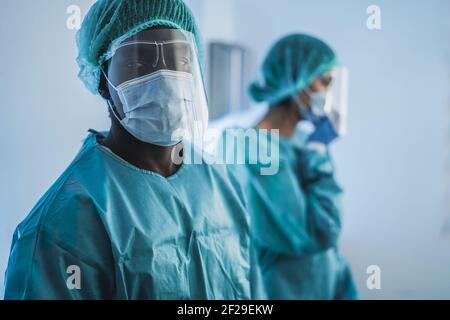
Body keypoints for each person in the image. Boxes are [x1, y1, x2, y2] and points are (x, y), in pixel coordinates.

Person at [4, 0, 264, 300]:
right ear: (102, 80)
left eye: (180, 62)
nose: (166, 78)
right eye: (140, 63)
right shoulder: (62, 227)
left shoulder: (221, 183)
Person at [225, 34, 358, 299]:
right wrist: (318, 151)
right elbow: (319, 232)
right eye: (325, 81)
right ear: (295, 80)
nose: (329, 94)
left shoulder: (300, 141)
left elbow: (329, 249)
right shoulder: (254, 150)